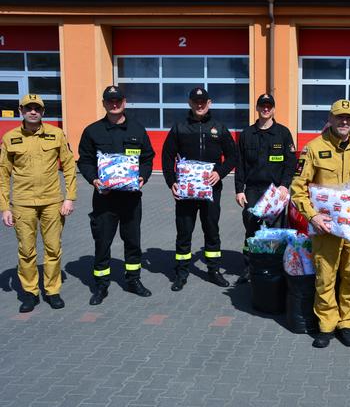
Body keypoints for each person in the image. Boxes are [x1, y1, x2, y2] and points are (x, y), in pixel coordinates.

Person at [290, 99, 350, 348]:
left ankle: (346, 323)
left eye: (349, 118)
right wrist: (313, 216)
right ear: (330, 119)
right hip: (326, 229)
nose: (344, 122)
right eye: (339, 117)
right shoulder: (313, 148)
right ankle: (326, 325)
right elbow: (297, 188)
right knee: (325, 278)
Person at [78, 85, 155, 305]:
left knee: (132, 241)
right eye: (110, 101)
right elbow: (84, 160)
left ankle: (133, 280)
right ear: (103, 103)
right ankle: (101, 285)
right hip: (104, 198)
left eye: (118, 100)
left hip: (130, 199)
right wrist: (93, 179)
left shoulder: (137, 130)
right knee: (102, 242)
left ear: (124, 102)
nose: (114, 104)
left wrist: (143, 177)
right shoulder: (92, 131)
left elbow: (147, 158)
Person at [0, 94, 76, 313]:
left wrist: (70, 197)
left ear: (43, 112)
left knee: (53, 248)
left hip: (52, 202)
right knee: (26, 250)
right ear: (20, 110)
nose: (33, 111)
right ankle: (31, 292)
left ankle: (52, 291)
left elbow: (69, 166)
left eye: (37, 108)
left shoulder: (56, 134)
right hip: (23, 203)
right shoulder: (10, 138)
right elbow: (3, 174)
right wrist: (5, 207)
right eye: (28, 108)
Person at [162, 87, 238, 291]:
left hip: (211, 190)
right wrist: (172, 182)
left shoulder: (219, 128)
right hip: (186, 191)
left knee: (212, 230)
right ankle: (181, 272)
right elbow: (167, 156)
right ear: (190, 103)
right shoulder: (179, 127)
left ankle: (213, 270)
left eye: (203, 101)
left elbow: (233, 156)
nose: (199, 104)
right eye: (196, 101)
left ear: (209, 103)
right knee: (184, 232)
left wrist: (219, 173)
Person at [234, 93, 296, 285]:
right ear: (257, 108)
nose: (266, 109)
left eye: (269, 106)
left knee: (275, 230)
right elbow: (240, 164)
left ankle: (275, 265)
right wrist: (239, 189)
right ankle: (250, 267)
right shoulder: (247, 134)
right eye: (262, 106)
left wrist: (285, 186)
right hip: (253, 189)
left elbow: (290, 163)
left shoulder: (283, 133)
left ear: (273, 109)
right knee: (251, 228)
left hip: (276, 191)